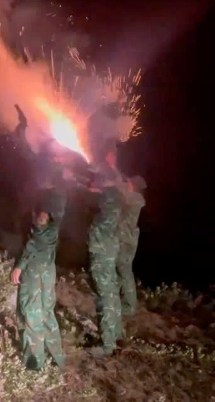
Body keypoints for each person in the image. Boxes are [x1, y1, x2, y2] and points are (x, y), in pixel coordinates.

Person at [9, 191, 67, 371]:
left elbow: (33, 245)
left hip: (34, 275)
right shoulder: (53, 230)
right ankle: (58, 359)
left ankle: (34, 365)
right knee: (47, 314)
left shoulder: (44, 230)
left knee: (31, 313)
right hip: (46, 275)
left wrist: (20, 265)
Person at [87, 142, 126, 357]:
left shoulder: (106, 196)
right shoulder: (118, 195)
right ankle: (117, 334)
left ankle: (107, 344)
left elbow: (90, 191)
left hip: (101, 251)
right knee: (111, 291)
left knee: (104, 294)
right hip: (109, 249)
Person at [117, 176, 147, 316]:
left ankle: (129, 305)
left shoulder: (136, 199)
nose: (126, 184)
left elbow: (120, 195)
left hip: (127, 241)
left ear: (134, 186)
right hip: (123, 239)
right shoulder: (132, 197)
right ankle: (118, 300)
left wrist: (113, 182)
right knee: (119, 269)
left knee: (125, 272)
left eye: (129, 183)